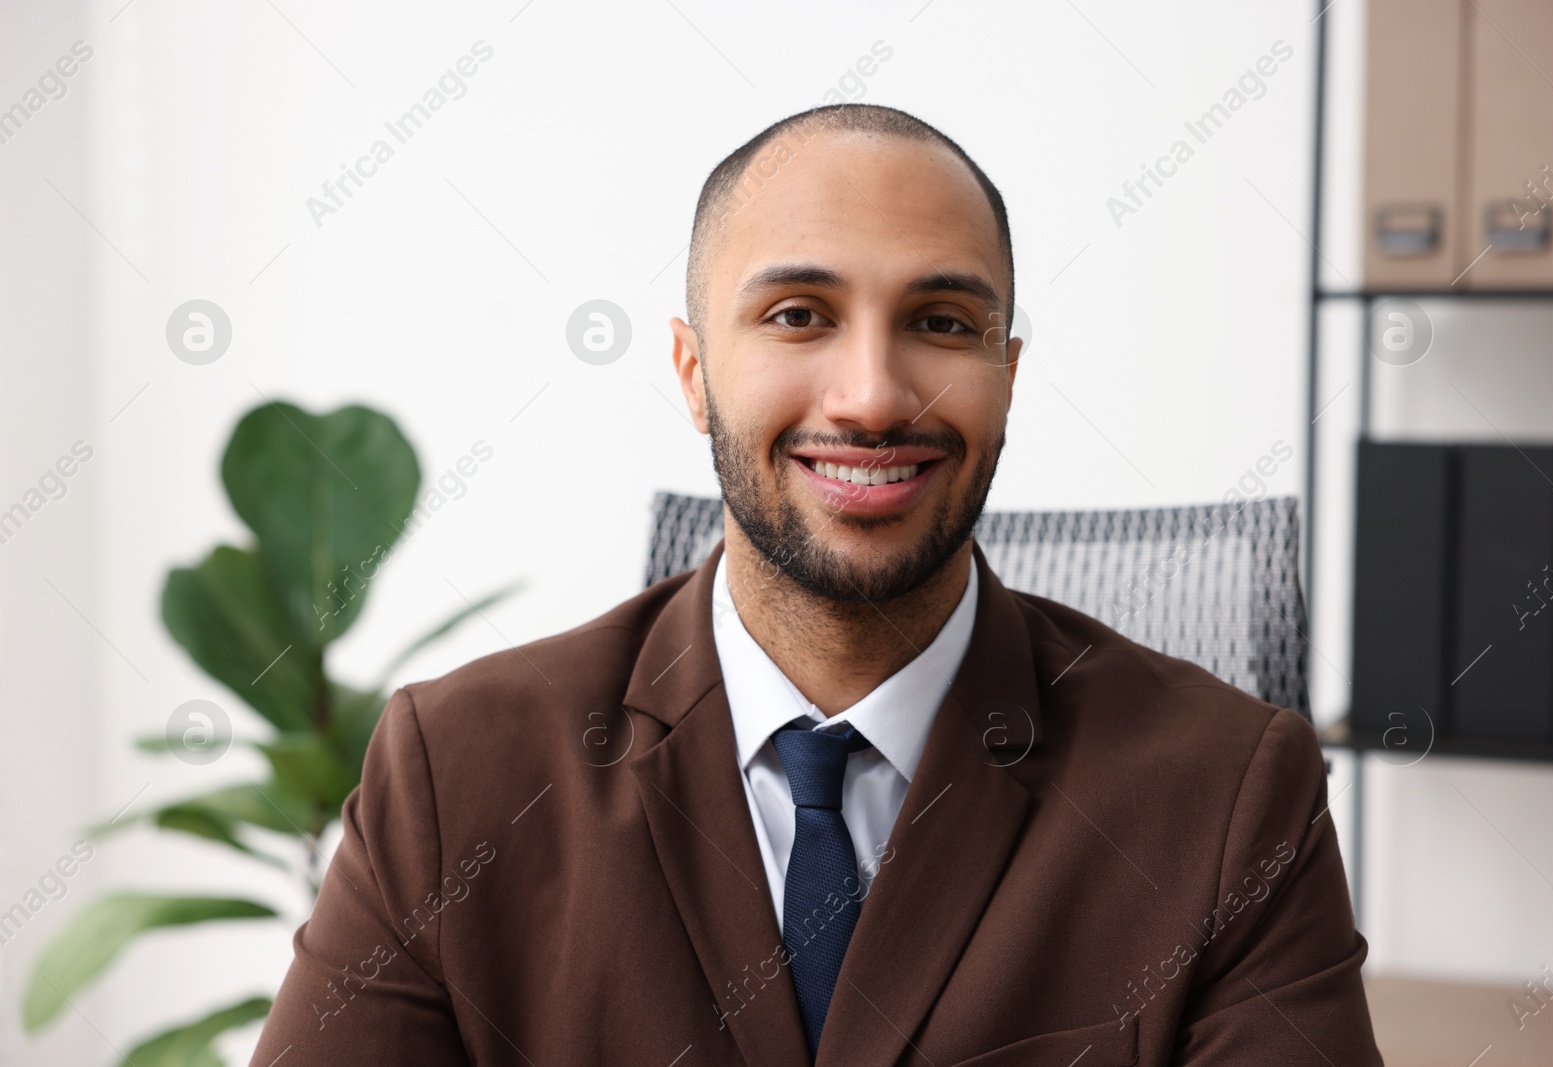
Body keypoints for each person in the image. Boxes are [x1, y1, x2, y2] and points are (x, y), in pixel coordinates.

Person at [249, 103, 1382, 1066]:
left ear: (1006, 375)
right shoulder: (458, 772)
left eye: (942, 323)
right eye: (797, 315)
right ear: (693, 373)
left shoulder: (1229, 793)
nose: (873, 394)